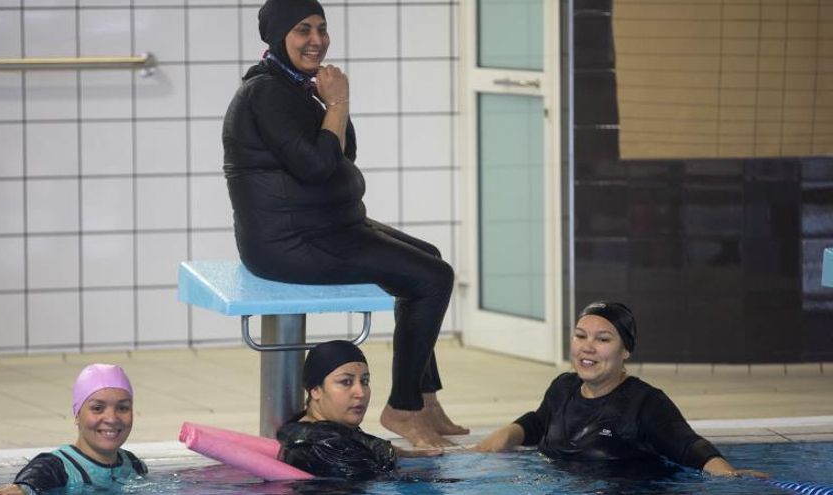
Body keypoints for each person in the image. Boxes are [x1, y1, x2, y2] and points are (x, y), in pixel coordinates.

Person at [222, 0, 465, 448]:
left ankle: (425, 399)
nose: (316, 40)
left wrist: (331, 102)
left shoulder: (293, 85)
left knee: (427, 259)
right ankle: (404, 408)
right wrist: (338, 100)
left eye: (321, 28)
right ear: (279, 37)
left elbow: (341, 152)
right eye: (302, 30)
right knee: (433, 279)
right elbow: (317, 166)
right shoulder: (267, 94)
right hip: (291, 241)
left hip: (323, 224)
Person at [474, 302, 763, 477]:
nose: (587, 347)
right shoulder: (563, 387)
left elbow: (688, 446)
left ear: (625, 351)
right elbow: (539, 421)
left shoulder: (645, 403)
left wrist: (728, 474)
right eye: (580, 336)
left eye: (603, 339)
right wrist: (505, 436)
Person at [276, 340, 439, 479]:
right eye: (346, 382)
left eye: (365, 381)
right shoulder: (325, 448)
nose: (360, 393)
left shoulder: (306, 429)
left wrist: (404, 454)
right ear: (315, 390)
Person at [0, 364, 147, 494]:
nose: (112, 419)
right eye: (98, 408)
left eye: (123, 408)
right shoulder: (52, 468)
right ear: (77, 414)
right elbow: (23, 488)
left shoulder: (134, 465)